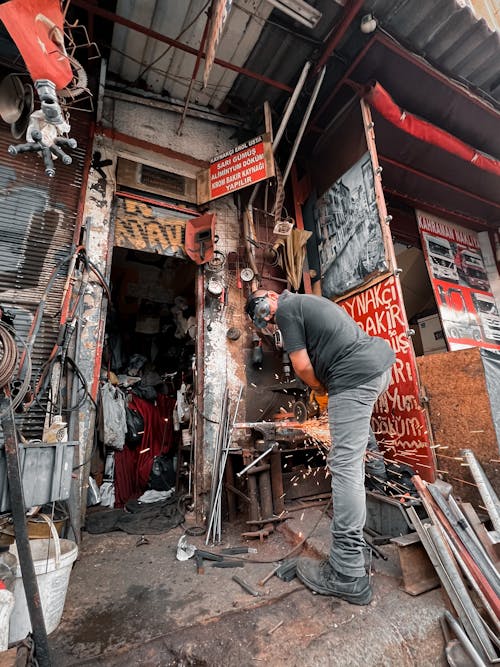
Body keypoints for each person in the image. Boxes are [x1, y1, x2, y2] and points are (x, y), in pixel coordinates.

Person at [245, 288, 395, 605]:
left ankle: (347, 572)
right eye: (263, 318)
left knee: (344, 466)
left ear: (271, 296)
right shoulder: (306, 305)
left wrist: (320, 388)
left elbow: (301, 367)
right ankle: (384, 491)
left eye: (264, 309)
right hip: (379, 366)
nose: (269, 317)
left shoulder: (286, 308)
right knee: (359, 442)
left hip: (353, 376)